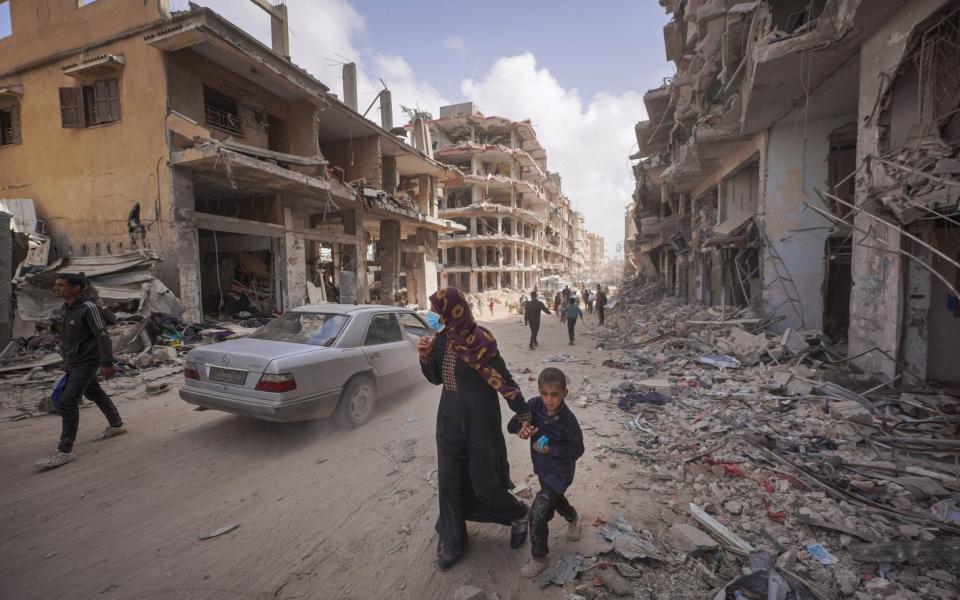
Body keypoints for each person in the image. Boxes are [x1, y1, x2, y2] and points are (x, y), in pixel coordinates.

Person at [417, 287, 533, 570]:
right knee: (449, 481)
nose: (435, 317)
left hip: (480, 420)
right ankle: (453, 539)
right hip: (449, 418)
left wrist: (525, 413)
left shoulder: (482, 341)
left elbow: (503, 381)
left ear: (453, 310)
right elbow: (435, 379)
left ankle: (518, 514)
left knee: (485, 484)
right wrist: (426, 357)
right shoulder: (442, 339)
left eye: (438, 311)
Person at [35, 273, 126, 470]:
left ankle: (64, 451)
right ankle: (117, 424)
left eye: (61, 285)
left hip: (87, 360)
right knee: (94, 391)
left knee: (67, 402)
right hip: (75, 360)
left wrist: (107, 363)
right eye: (55, 285)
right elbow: (67, 338)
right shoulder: (67, 308)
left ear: (76, 288)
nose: (56, 288)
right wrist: (67, 362)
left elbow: (102, 336)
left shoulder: (89, 308)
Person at [508, 367, 584, 577]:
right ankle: (573, 518)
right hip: (542, 469)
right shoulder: (533, 406)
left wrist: (551, 450)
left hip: (560, 473)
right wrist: (522, 427)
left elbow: (578, 449)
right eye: (544, 394)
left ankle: (539, 557)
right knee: (556, 501)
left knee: (539, 512)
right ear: (539, 391)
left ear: (564, 394)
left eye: (555, 395)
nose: (549, 400)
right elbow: (511, 425)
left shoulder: (568, 421)